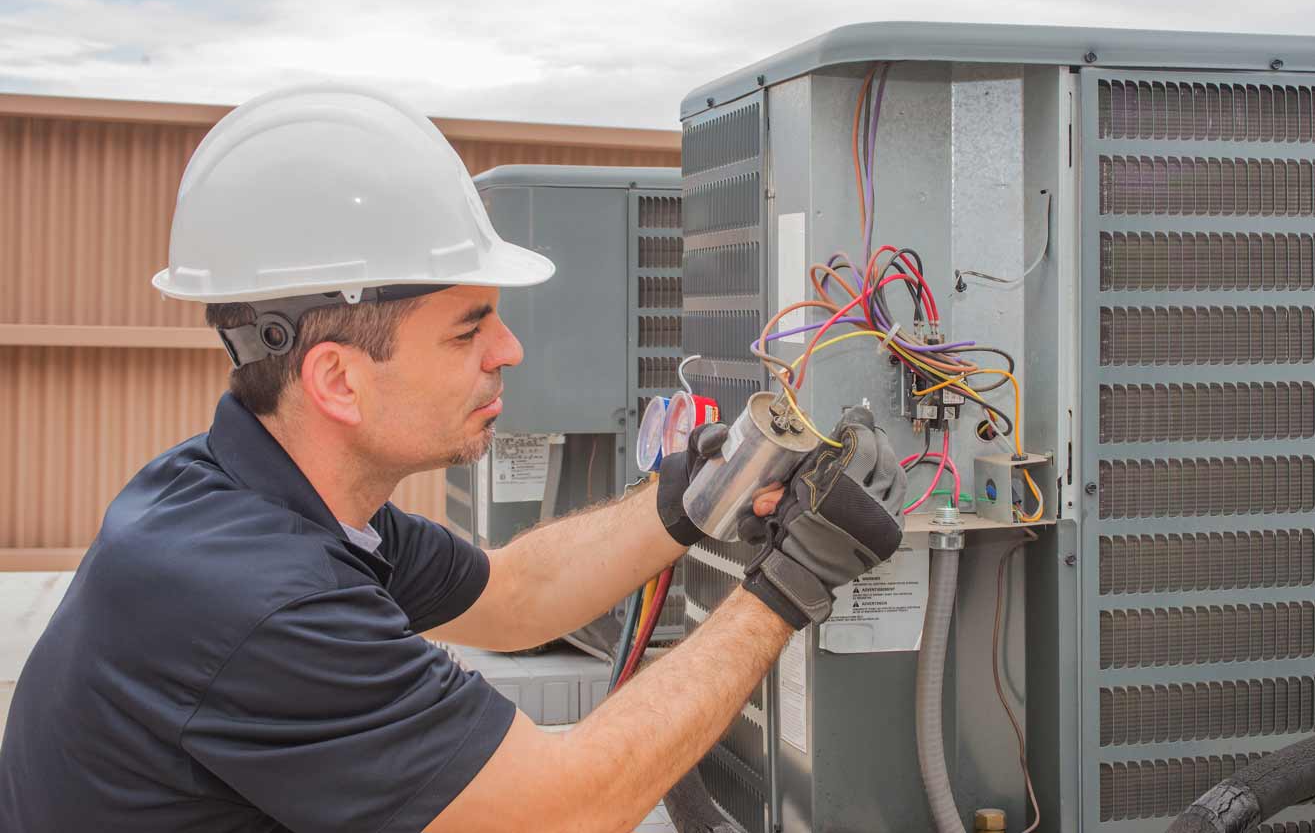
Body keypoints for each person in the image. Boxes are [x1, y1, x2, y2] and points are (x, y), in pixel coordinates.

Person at [0, 83, 906, 833]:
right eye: (469, 328)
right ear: (338, 381)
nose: (508, 350)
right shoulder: (262, 603)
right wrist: (789, 589)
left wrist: (687, 498)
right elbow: (566, 807)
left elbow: (512, 595)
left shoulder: (242, 494)